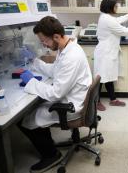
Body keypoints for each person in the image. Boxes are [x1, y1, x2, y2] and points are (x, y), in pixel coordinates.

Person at [18, 16, 92, 173]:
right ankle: (48, 144)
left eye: (44, 40)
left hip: (71, 107)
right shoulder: (65, 48)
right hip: (73, 98)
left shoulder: (71, 57)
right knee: (36, 108)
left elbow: (55, 93)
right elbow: (55, 71)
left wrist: (31, 82)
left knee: (25, 118)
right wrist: (36, 61)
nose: (43, 44)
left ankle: (51, 154)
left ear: (56, 36)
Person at [94, 0, 128, 111]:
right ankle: (96, 101)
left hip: (108, 52)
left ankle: (113, 99)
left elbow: (118, 20)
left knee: (109, 77)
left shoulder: (107, 17)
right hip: (105, 53)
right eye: (116, 6)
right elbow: (121, 30)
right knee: (100, 79)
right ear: (110, 6)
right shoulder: (107, 19)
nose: (117, 8)